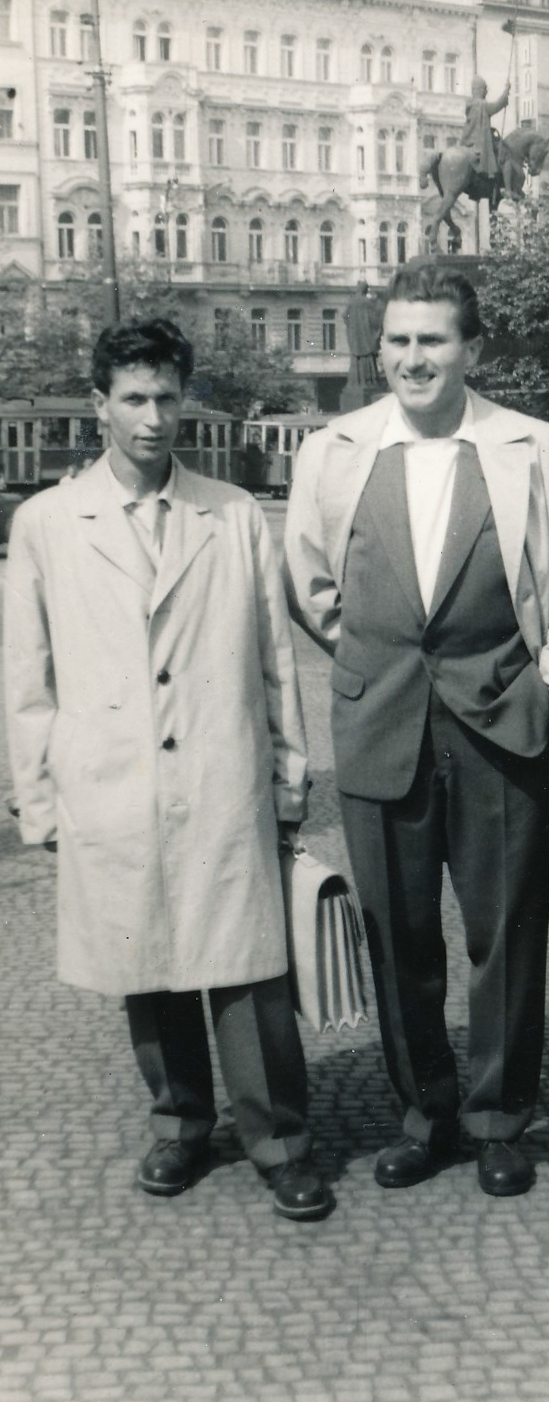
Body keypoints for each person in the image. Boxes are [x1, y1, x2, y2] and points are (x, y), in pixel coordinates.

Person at [4, 318, 332, 1223]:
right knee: (144, 958)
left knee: (248, 968)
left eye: (167, 398)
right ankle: (181, 1122)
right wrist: (40, 802)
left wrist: (289, 783)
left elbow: (274, 661)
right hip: (110, 783)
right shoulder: (46, 524)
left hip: (223, 773)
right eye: (134, 399)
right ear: (99, 406)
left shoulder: (231, 515)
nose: (153, 418)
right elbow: (25, 680)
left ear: (185, 400)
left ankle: (280, 1140)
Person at [284, 264, 549, 1197]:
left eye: (432, 340)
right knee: (397, 935)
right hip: (381, 725)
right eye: (398, 340)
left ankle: (498, 1120)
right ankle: (424, 1115)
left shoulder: (533, 447)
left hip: (502, 726)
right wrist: (376, 664)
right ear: (378, 348)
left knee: (506, 935)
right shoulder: (332, 451)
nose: (413, 359)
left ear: (472, 350)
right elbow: (311, 587)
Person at [460, 75, 510, 179]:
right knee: (502, 154)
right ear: (479, 90)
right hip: (479, 144)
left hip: (468, 142)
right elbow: (495, 107)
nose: (486, 92)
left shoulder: (471, 104)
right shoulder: (481, 104)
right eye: (485, 89)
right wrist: (506, 92)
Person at [343, 280, 383, 387]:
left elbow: (345, 316)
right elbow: (376, 318)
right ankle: (370, 381)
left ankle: (356, 382)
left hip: (356, 337)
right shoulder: (369, 302)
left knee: (356, 358)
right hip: (366, 337)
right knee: (368, 358)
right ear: (365, 290)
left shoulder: (351, 302)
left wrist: (353, 325)